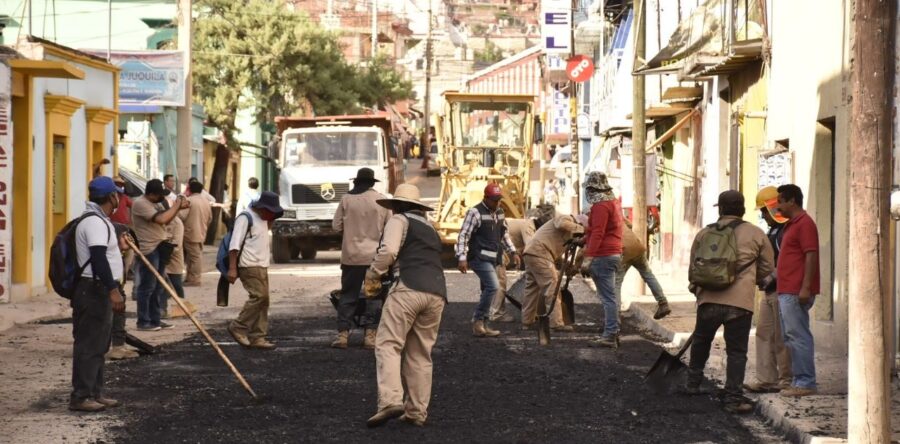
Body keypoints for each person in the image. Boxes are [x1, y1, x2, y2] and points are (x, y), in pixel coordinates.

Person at [363, 184, 447, 428]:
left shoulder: (399, 220)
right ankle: (417, 412)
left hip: (408, 287)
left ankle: (390, 400)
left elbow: (388, 251)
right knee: (420, 353)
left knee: (388, 344)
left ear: (398, 205)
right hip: (437, 293)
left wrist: (373, 273)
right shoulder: (430, 228)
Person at [685, 190, 774, 414]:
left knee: (701, 341)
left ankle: (692, 384)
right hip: (740, 303)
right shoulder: (756, 233)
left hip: (708, 300)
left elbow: (693, 269)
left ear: (721, 209)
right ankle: (733, 397)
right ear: (742, 209)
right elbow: (766, 271)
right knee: (736, 351)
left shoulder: (704, 233)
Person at [69, 176, 126, 411]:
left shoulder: (101, 221)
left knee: (100, 344)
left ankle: (95, 392)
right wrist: (113, 289)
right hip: (94, 290)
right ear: (111, 196)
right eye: (117, 194)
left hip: (98, 288)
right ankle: (81, 397)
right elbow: (98, 258)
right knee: (90, 345)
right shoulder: (94, 223)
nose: (119, 198)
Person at [331, 168, 391, 349]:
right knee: (374, 297)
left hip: (351, 258)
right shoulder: (382, 200)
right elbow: (390, 228)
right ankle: (370, 337)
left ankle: (343, 336)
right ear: (373, 183)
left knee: (348, 295)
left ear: (356, 182)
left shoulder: (346, 199)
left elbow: (336, 226)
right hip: (374, 259)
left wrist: (350, 232)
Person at [744, 186, 793, 393]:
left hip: (783, 291)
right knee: (764, 334)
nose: (763, 216)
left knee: (781, 338)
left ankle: (786, 379)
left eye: (764, 211)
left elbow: (788, 262)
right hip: (769, 292)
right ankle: (767, 379)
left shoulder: (787, 231)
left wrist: (772, 277)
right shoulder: (773, 231)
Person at [456, 183, 520, 337]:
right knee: (493, 286)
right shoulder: (475, 212)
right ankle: (478, 320)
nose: (497, 203)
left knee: (486, 290)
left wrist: (513, 252)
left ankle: (484, 325)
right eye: (494, 200)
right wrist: (462, 257)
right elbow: (464, 235)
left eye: (498, 200)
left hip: (493, 258)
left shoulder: (500, 212)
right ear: (485, 198)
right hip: (478, 257)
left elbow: (503, 235)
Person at [775, 184, 820, 397]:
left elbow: (811, 255)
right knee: (790, 336)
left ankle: (805, 382)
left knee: (798, 335)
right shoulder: (792, 224)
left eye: (781, 201)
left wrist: (806, 287)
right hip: (787, 290)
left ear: (792, 200)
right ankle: (798, 380)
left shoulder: (805, 224)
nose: (778, 207)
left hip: (795, 291)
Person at [226, 191, 283, 350]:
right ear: (262, 207)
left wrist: (272, 217)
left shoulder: (264, 219)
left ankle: (258, 336)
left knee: (264, 301)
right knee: (259, 296)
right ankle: (239, 326)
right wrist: (232, 268)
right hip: (249, 264)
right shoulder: (245, 218)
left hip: (262, 264)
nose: (271, 215)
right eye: (270, 212)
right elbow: (234, 244)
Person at [132, 179, 189, 331]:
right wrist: (176, 205)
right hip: (148, 249)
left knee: (158, 287)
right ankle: (143, 321)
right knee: (147, 287)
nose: (162, 198)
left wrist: (178, 207)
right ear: (150, 194)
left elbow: (168, 217)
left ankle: (155, 319)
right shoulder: (141, 204)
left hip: (160, 246)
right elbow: (161, 219)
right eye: (159, 195)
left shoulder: (156, 203)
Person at [489, 204, 555, 323]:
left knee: (493, 282)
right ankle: (496, 313)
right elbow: (532, 249)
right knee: (500, 282)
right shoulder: (528, 226)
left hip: (495, 246)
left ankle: (489, 311)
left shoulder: (527, 225)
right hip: (495, 248)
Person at [521, 214, 585, 331]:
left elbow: (558, 255)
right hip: (540, 252)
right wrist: (583, 229)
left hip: (532, 253)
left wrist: (568, 268)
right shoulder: (565, 218)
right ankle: (556, 323)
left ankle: (527, 321)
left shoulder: (567, 233)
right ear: (578, 222)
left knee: (532, 289)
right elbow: (561, 224)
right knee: (552, 286)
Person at [582, 172, 623, 347]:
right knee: (610, 296)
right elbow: (598, 231)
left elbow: (598, 232)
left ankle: (610, 335)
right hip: (613, 252)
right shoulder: (612, 203)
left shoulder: (600, 206)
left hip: (603, 255)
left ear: (592, 188)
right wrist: (583, 240)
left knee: (608, 298)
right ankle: (613, 332)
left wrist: (588, 257)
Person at [616, 220, 671, 320]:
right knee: (648, 275)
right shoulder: (617, 214)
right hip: (637, 247)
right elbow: (629, 224)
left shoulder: (602, 217)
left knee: (616, 283)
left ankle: (615, 315)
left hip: (623, 251)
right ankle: (663, 303)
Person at [106, 223, 140, 361]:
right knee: (117, 309)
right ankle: (117, 347)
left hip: (107, 280)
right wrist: (115, 289)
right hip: (107, 279)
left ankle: (116, 345)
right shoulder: (117, 233)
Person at [183, 181, 213, 287]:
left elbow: (182, 216)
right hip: (201, 231)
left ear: (190, 189)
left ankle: (195, 279)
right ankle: (190, 277)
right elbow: (210, 218)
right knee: (193, 256)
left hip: (190, 232)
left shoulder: (189, 201)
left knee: (195, 257)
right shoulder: (205, 201)